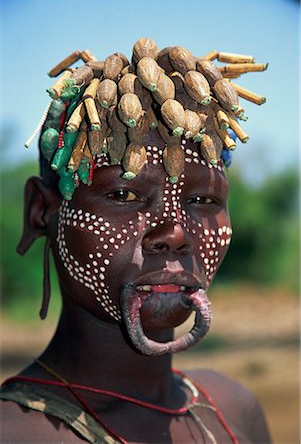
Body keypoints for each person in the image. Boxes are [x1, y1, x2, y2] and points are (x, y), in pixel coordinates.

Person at [0, 38, 271, 443]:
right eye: (123, 195)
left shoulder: (233, 408)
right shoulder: (16, 431)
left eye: (202, 200)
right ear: (41, 211)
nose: (175, 233)